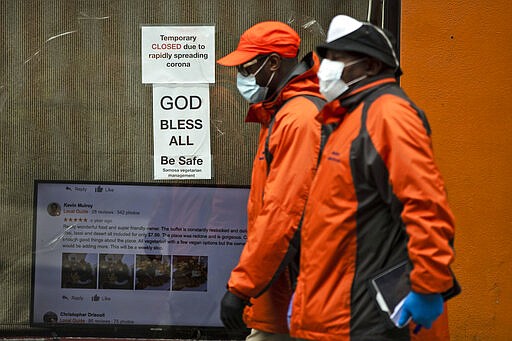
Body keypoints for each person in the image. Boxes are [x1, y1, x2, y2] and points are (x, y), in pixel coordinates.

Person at [288, 15, 459, 340]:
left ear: (367, 65)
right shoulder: (350, 117)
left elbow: (426, 207)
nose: (324, 67)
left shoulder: (388, 116)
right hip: (336, 313)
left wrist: (427, 286)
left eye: (335, 58)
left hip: (359, 321)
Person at [216, 21, 325, 340]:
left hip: (295, 291)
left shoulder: (299, 118)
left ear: (274, 63)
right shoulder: (285, 112)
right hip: (286, 291)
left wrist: (241, 289)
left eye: (248, 68)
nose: (242, 78)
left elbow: (284, 216)